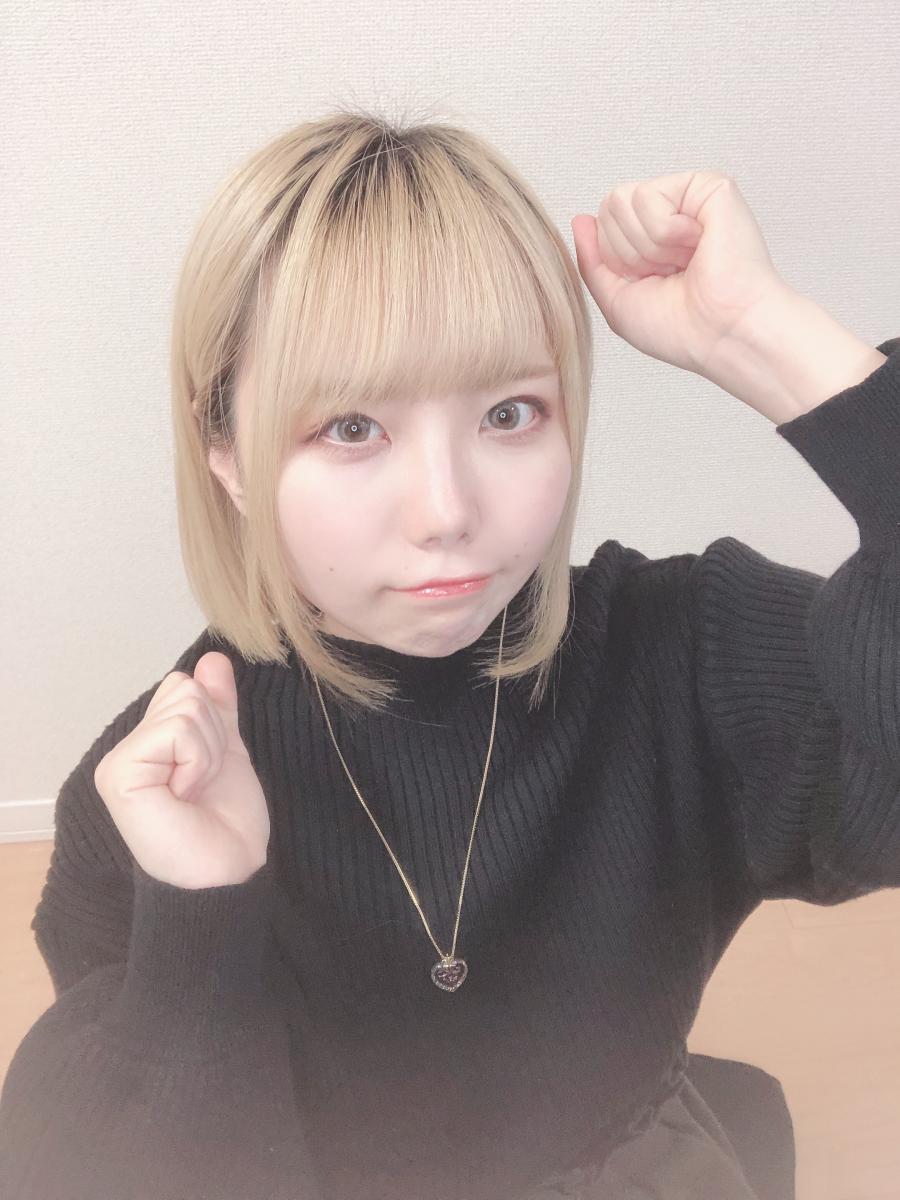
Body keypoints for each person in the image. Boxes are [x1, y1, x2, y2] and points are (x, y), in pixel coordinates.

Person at [2, 108, 898, 1200]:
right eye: (351, 428)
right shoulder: (151, 801)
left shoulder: (688, 654)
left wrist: (771, 340)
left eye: (511, 412)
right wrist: (198, 922)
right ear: (225, 452)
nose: (448, 512)